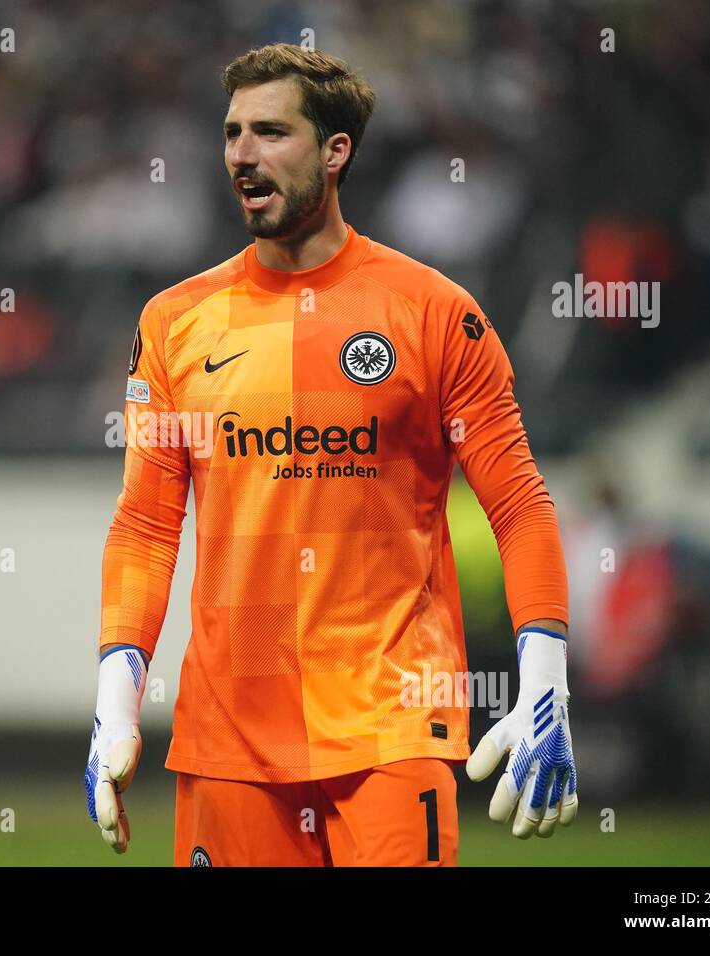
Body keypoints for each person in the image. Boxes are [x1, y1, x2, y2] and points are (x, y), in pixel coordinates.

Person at [84, 43, 576, 866]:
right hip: (228, 736)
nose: (243, 153)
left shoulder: (432, 313)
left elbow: (520, 504)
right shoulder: (174, 322)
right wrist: (116, 700)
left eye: (272, 131)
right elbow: (144, 523)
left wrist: (547, 679)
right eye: (234, 131)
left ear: (335, 150)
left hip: (389, 720)